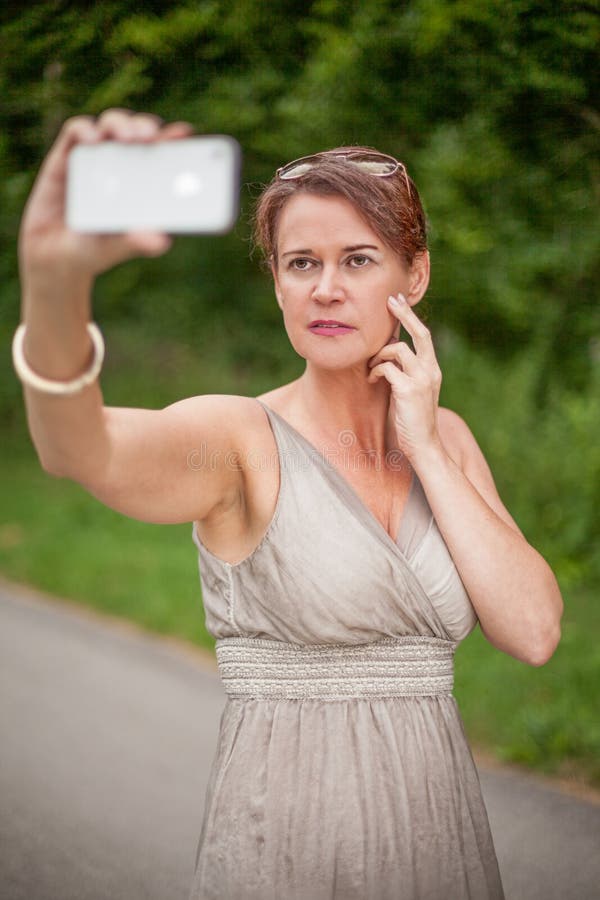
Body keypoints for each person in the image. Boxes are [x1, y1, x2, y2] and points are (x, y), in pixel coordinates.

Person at [15, 109, 564, 900]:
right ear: (275, 281)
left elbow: (537, 633)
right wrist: (54, 280)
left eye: (359, 259)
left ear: (415, 276)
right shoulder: (238, 437)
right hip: (287, 847)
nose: (327, 288)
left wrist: (430, 451)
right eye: (301, 262)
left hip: (437, 843)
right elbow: (76, 448)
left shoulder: (448, 439)